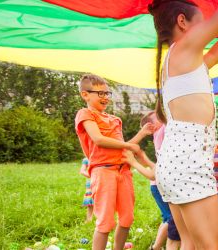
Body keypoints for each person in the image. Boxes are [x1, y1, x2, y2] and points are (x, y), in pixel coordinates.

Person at [148, 0, 218, 249]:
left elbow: (214, 56)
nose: (205, 28)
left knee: (191, 243)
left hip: (178, 162)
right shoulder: (182, 49)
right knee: (210, 245)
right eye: (201, 23)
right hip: (188, 164)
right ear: (182, 22)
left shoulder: (182, 60)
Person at [75, 74, 148, 250]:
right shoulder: (85, 114)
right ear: (85, 95)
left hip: (123, 172)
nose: (106, 97)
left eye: (107, 93)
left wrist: (142, 134)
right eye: (101, 93)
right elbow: (98, 140)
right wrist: (129, 146)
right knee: (105, 221)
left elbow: (123, 147)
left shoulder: (115, 120)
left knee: (127, 218)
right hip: (103, 171)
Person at [137, 112, 182, 250]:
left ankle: (156, 247)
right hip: (160, 183)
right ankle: (156, 247)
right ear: (152, 126)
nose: (161, 114)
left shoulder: (159, 133)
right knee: (171, 219)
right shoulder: (162, 130)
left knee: (167, 218)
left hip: (158, 184)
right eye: (158, 115)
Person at [80, 158, 94, 223]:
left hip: (100, 182)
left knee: (100, 201)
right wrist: (92, 175)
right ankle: (89, 219)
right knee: (90, 202)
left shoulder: (101, 158)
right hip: (90, 183)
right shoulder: (86, 159)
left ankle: (100, 218)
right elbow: (82, 171)